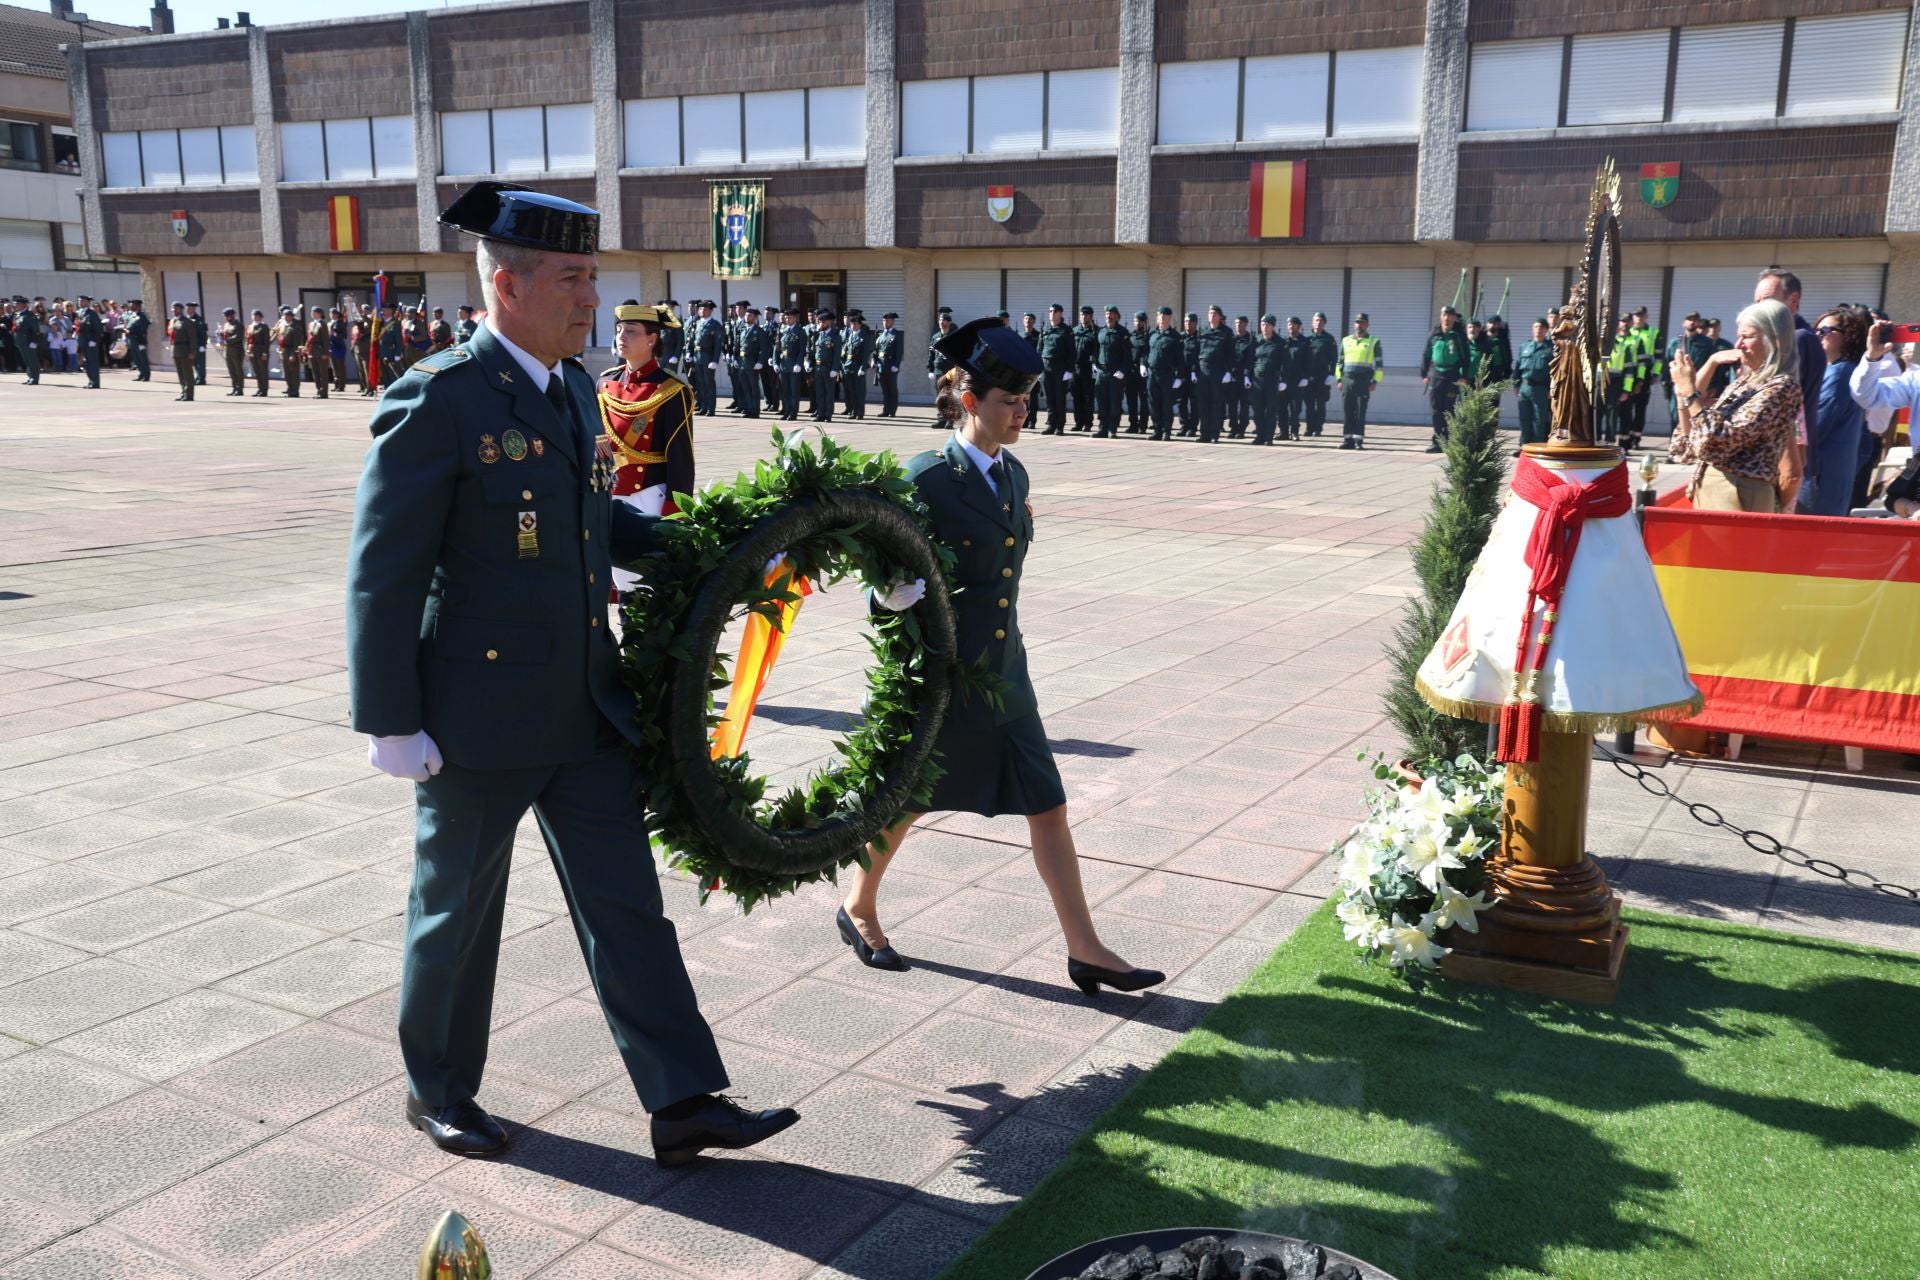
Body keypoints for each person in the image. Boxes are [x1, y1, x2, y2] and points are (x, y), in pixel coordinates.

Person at [347, 181, 797, 1167]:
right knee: (456, 914)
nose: (594, 299)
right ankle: (438, 1091)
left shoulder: (562, 390)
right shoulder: (441, 398)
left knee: (625, 900)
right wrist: (391, 720)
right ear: (505, 284)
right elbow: (383, 567)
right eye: (573, 278)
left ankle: (684, 1096)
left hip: (582, 707)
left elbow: (601, 526)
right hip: (475, 718)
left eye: (594, 277)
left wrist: (731, 547)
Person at [837, 315, 1164, 998]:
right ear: (967, 399)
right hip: (943, 677)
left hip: (1006, 674)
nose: (1023, 413)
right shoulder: (924, 479)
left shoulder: (1013, 474)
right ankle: (858, 906)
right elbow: (878, 581)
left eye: (1027, 400)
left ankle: (1086, 949)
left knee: (1048, 805)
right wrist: (894, 592)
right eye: (1009, 401)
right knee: (907, 802)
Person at [598, 299, 694, 600]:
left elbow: (681, 458)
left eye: (631, 331)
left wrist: (676, 512)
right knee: (611, 580)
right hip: (610, 491)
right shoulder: (604, 383)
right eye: (619, 330)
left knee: (641, 584)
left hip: (648, 493)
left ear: (652, 339)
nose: (621, 338)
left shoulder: (672, 390)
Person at [1668, 299, 1802, 512]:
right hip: (1715, 489)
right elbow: (1690, 445)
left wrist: (1690, 393)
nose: (1738, 345)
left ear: (1774, 340)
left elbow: (1716, 441)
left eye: (1747, 337)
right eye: (1739, 336)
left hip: (1739, 494)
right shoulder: (1743, 383)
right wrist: (1683, 392)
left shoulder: (1782, 387)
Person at [1798, 306, 1871, 516]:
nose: (1818, 335)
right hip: (1830, 477)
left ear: (1847, 336)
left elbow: (1814, 428)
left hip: (1820, 481)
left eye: (1826, 330)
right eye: (1816, 330)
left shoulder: (1840, 373)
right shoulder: (1838, 371)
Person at [1421, 307, 1470, 452]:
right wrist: (1424, 374)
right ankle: (1437, 441)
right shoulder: (1434, 335)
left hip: (1452, 375)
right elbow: (1426, 354)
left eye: (1450, 315)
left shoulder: (1458, 337)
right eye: (1444, 315)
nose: (1447, 318)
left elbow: (1465, 359)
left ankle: (1449, 439)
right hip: (1436, 374)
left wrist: (1463, 376)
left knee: (1449, 409)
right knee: (1436, 409)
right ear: (1441, 317)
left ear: (1454, 318)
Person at [1337, 312, 1382, 450]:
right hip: (1347, 379)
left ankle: (1358, 440)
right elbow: (1340, 362)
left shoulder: (1373, 341)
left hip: (1364, 380)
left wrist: (1375, 381)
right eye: (1357, 322)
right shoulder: (1346, 340)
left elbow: (1379, 364)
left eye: (1362, 322)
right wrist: (1339, 379)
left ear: (1367, 325)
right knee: (1348, 409)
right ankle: (1348, 439)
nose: (1359, 325)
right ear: (1353, 324)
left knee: (1361, 410)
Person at [1514, 318, 1553, 450]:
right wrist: (1516, 384)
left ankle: (1537, 447)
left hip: (1541, 388)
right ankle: (1523, 446)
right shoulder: (1525, 346)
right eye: (1536, 327)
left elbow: (1555, 371)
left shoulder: (1551, 348)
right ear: (1532, 329)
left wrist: (1551, 388)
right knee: (1524, 418)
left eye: (1542, 327)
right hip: (1525, 387)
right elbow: (1518, 367)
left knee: (1539, 420)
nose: (1538, 330)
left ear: (1546, 330)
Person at [1146, 305, 1182, 441]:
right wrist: (1144, 365)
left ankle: (1167, 431)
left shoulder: (1175, 336)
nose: (1161, 318)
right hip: (1152, 373)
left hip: (1167, 374)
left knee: (1166, 403)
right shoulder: (1152, 334)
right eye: (1159, 315)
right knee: (1153, 403)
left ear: (1169, 318)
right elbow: (1146, 352)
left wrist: (1179, 377)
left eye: (1164, 316)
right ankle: (1157, 430)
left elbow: (1180, 359)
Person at [1037, 303, 1073, 435]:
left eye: (1055, 311)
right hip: (1046, 367)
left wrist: (1069, 370)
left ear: (1060, 313)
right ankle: (1051, 424)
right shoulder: (1045, 329)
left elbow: (1071, 352)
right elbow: (1039, 349)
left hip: (1060, 367)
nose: (1052, 313)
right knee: (1049, 398)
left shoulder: (1066, 330)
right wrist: (1039, 369)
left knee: (1059, 397)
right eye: (1050, 311)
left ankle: (1060, 426)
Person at [1094, 305, 1129, 438]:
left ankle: (1112, 429)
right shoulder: (1101, 331)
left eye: (1112, 314)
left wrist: (1122, 370)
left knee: (1115, 402)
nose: (1109, 316)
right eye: (1107, 314)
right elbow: (1095, 350)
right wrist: (1094, 364)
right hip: (1102, 371)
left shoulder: (1123, 333)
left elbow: (1127, 355)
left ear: (1117, 317)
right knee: (1102, 401)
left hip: (1115, 372)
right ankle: (1102, 428)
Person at [1302, 312, 1338, 438]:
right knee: (1309, 404)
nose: (1318, 323)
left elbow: (1334, 359)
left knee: (1321, 404)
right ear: (1312, 322)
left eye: (1321, 321)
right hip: (1309, 378)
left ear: (1324, 323)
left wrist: (1331, 374)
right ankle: (1309, 428)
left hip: (1322, 377)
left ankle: (1318, 428)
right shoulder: (1307, 339)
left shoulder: (1329, 339)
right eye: (1316, 320)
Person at [1250, 314, 1283, 447]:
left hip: (1272, 379)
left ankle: (1268, 436)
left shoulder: (1280, 342)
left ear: (1273, 326)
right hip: (1257, 379)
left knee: (1270, 409)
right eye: (1262, 324)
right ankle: (1260, 435)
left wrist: (1283, 380)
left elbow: (1285, 362)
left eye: (1267, 324)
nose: (1264, 327)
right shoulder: (1256, 340)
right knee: (1257, 409)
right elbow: (1251, 359)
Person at [1278, 316, 1310, 442]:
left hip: (1297, 380)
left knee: (1295, 408)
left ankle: (1295, 432)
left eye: (1293, 324)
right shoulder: (1283, 341)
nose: (1291, 326)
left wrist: (1306, 377)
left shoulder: (1304, 342)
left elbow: (1308, 361)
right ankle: (1283, 432)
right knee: (1282, 407)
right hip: (1284, 380)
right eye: (1289, 324)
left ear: (1299, 327)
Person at [688, 300, 719, 417]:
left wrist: (715, 360)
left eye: (705, 309)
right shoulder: (697, 323)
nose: (702, 311)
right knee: (700, 384)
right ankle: (704, 407)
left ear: (710, 311)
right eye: (700, 309)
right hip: (697, 356)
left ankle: (711, 408)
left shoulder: (715, 325)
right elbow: (691, 340)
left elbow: (717, 344)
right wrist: (689, 353)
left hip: (708, 356)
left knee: (709, 383)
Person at [809, 307, 840, 423]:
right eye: (820, 321)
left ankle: (828, 414)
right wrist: (810, 362)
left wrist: (835, 369)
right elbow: (814, 351)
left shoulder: (835, 336)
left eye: (823, 322)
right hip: (818, 367)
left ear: (829, 322)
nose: (820, 324)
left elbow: (837, 354)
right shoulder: (818, 335)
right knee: (820, 392)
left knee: (829, 393)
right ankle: (820, 413)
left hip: (828, 368)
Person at [840, 309, 871, 419]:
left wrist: (863, 367)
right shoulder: (850, 336)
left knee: (859, 392)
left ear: (859, 324)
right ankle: (853, 411)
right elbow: (845, 351)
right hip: (849, 366)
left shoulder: (864, 336)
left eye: (854, 324)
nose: (852, 326)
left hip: (858, 367)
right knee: (851, 391)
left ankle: (860, 412)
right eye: (851, 323)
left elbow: (866, 354)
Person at [1071, 305, 1098, 430]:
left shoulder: (1095, 331)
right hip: (1075, 368)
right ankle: (1078, 423)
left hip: (1088, 369)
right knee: (1077, 397)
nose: (1083, 316)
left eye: (1086, 314)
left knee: (1088, 397)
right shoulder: (1074, 330)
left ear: (1091, 316)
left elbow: (1098, 349)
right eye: (1082, 314)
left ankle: (1087, 423)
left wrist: (1095, 363)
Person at [1227, 315, 1254, 438]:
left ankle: (1242, 429)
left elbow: (1251, 359)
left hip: (1244, 376)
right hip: (1232, 376)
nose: (1238, 325)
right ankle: (1233, 427)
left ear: (1245, 325)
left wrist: (1247, 375)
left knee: (1244, 404)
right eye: (1236, 323)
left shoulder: (1251, 340)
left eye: (1241, 323)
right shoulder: (1232, 339)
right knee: (1232, 404)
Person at [874, 312, 903, 417]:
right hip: (881, 366)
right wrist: (874, 360)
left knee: (892, 390)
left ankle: (892, 410)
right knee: (885, 390)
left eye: (888, 321)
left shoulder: (896, 334)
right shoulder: (880, 335)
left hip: (891, 366)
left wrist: (896, 365)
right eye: (884, 321)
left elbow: (899, 352)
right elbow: (876, 351)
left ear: (893, 322)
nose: (885, 323)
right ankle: (886, 410)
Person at [1126, 310, 1151, 433]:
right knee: (1131, 400)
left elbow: (1148, 353)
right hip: (1131, 372)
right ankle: (1133, 425)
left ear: (1145, 322)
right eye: (1136, 320)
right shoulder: (1130, 336)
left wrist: (1143, 364)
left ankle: (1143, 425)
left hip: (1144, 373)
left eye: (1140, 320)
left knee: (1144, 401)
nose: (1137, 323)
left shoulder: (1149, 336)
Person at [274, 306, 304, 397]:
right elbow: (280, 337)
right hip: (284, 351)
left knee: (294, 372)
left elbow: (297, 343)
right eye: (285, 316)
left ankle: (295, 391)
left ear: (291, 317)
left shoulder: (295, 327)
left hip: (291, 351)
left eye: (288, 316)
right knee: (287, 373)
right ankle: (290, 389)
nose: (286, 318)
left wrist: (294, 354)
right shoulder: (282, 326)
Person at [74, 294, 103, 389]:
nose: (79, 302)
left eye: (82, 301)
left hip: (90, 341)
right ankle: (91, 381)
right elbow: (78, 325)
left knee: (92, 362)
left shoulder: (92, 314)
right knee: (86, 362)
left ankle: (95, 382)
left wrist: (94, 340)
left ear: (87, 302)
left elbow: (98, 329)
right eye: (79, 301)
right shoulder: (79, 313)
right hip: (82, 340)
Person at [11, 295, 40, 385]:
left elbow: (35, 330)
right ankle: (30, 376)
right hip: (21, 341)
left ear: (23, 305)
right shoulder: (18, 315)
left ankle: (35, 378)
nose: (15, 306)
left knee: (32, 360)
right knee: (26, 360)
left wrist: (33, 342)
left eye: (17, 304)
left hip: (28, 341)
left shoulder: (29, 315)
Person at [307, 306, 333, 399]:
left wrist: (325, 353)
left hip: (320, 350)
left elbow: (325, 340)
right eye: (312, 312)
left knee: (323, 373)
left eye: (314, 312)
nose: (312, 314)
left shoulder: (322, 324)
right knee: (315, 373)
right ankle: (318, 390)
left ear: (320, 314)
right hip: (312, 350)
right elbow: (309, 338)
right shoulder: (311, 324)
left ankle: (324, 392)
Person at [219, 307, 246, 395]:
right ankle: (234, 387)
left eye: (228, 316)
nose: (226, 318)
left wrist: (227, 340)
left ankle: (240, 389)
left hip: (236, 350)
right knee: (231, 370)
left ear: (233, 315)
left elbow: (238, 337)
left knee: (238, 370)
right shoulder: (226, 324)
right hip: (228, 350)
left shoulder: (238, 325)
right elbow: (225, 334)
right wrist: (221, 335)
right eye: (225, 316)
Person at [246, 309, 271, 396]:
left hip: (261, 351)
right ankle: (259, 388)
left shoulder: (264, 327)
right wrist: (248, 349)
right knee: (257, 371)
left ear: (260, 317)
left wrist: (265, 353)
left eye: (256, 315)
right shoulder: (250, 326)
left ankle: (264, 390)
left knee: (263, 371)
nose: (254, 317)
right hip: (253, 351)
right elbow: (248, 339)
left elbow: (266, 341)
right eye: (253, 315)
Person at [186, 301, 208, 385]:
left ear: (194, 309)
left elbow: (203, 333)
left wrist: (203, 345)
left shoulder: (199, 319)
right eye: (187, 308)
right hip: (191, 345)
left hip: (199, 345)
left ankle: (201, 379)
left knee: (200, 363)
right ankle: (197, 377)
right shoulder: (187, 319)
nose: (188, 310)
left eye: (190, 308)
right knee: (194, 363)